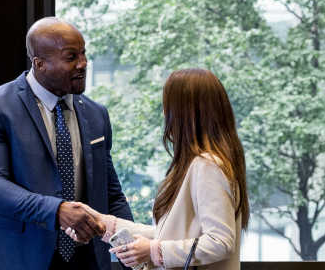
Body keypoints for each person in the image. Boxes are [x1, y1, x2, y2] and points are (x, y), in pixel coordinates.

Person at [0, 17, 133, 270]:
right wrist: (57, 210)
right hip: (13, 258)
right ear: (39, 64)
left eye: (84, 54)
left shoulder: (96, 114)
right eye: (71, 57)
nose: (83, 64)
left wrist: (132, 250)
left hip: (86, 261)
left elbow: (110, 193)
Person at [97, 68, 248, 270]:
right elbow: (169, 234)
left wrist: (153, 251)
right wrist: (103, 224)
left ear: (186, 113)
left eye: (168, 106)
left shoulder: (207, 166)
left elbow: (220, 242)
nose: (164, 114)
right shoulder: (200, 164)